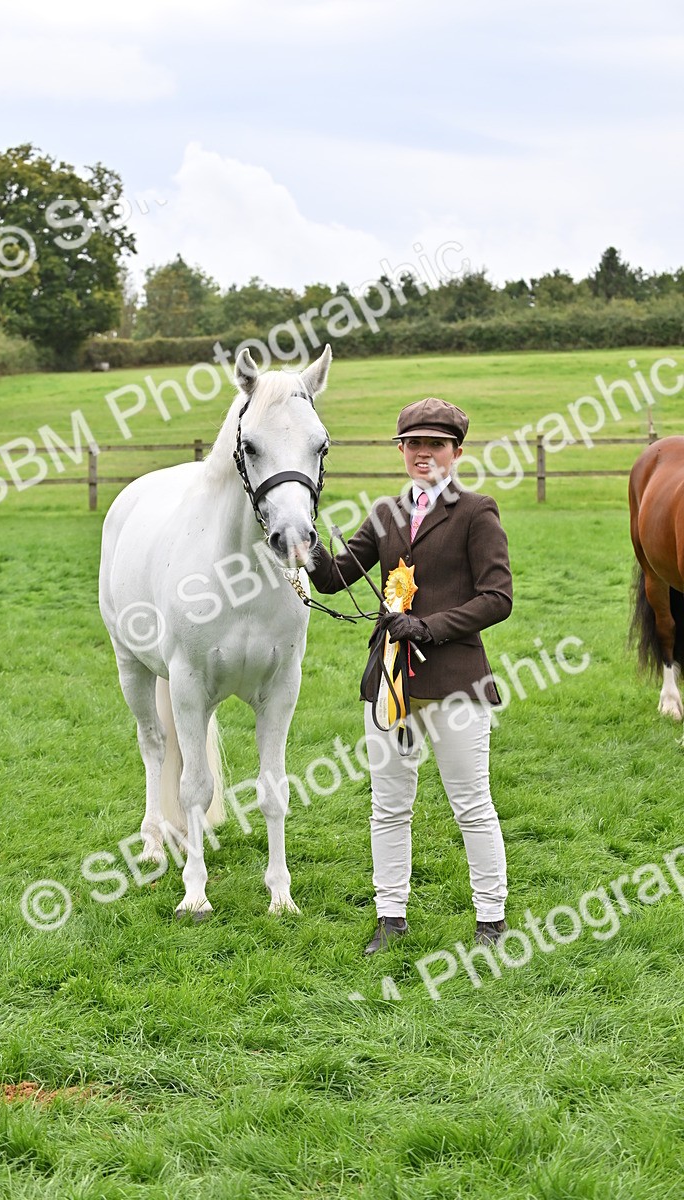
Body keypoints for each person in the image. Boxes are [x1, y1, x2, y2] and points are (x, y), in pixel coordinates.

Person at [307, 397, 513, 955]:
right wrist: (304, 542)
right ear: (401, 450)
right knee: (388, 804)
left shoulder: (477, 511)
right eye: (413, 444)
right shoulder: (385, 514)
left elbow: (498, 598)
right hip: (389, 682)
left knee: (472, 805)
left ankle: (491, 921)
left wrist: (428, 627)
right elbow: (335, 578)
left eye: (436, 445)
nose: (423, 453)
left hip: (456, 682)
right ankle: (390, 918)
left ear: (456, 452)